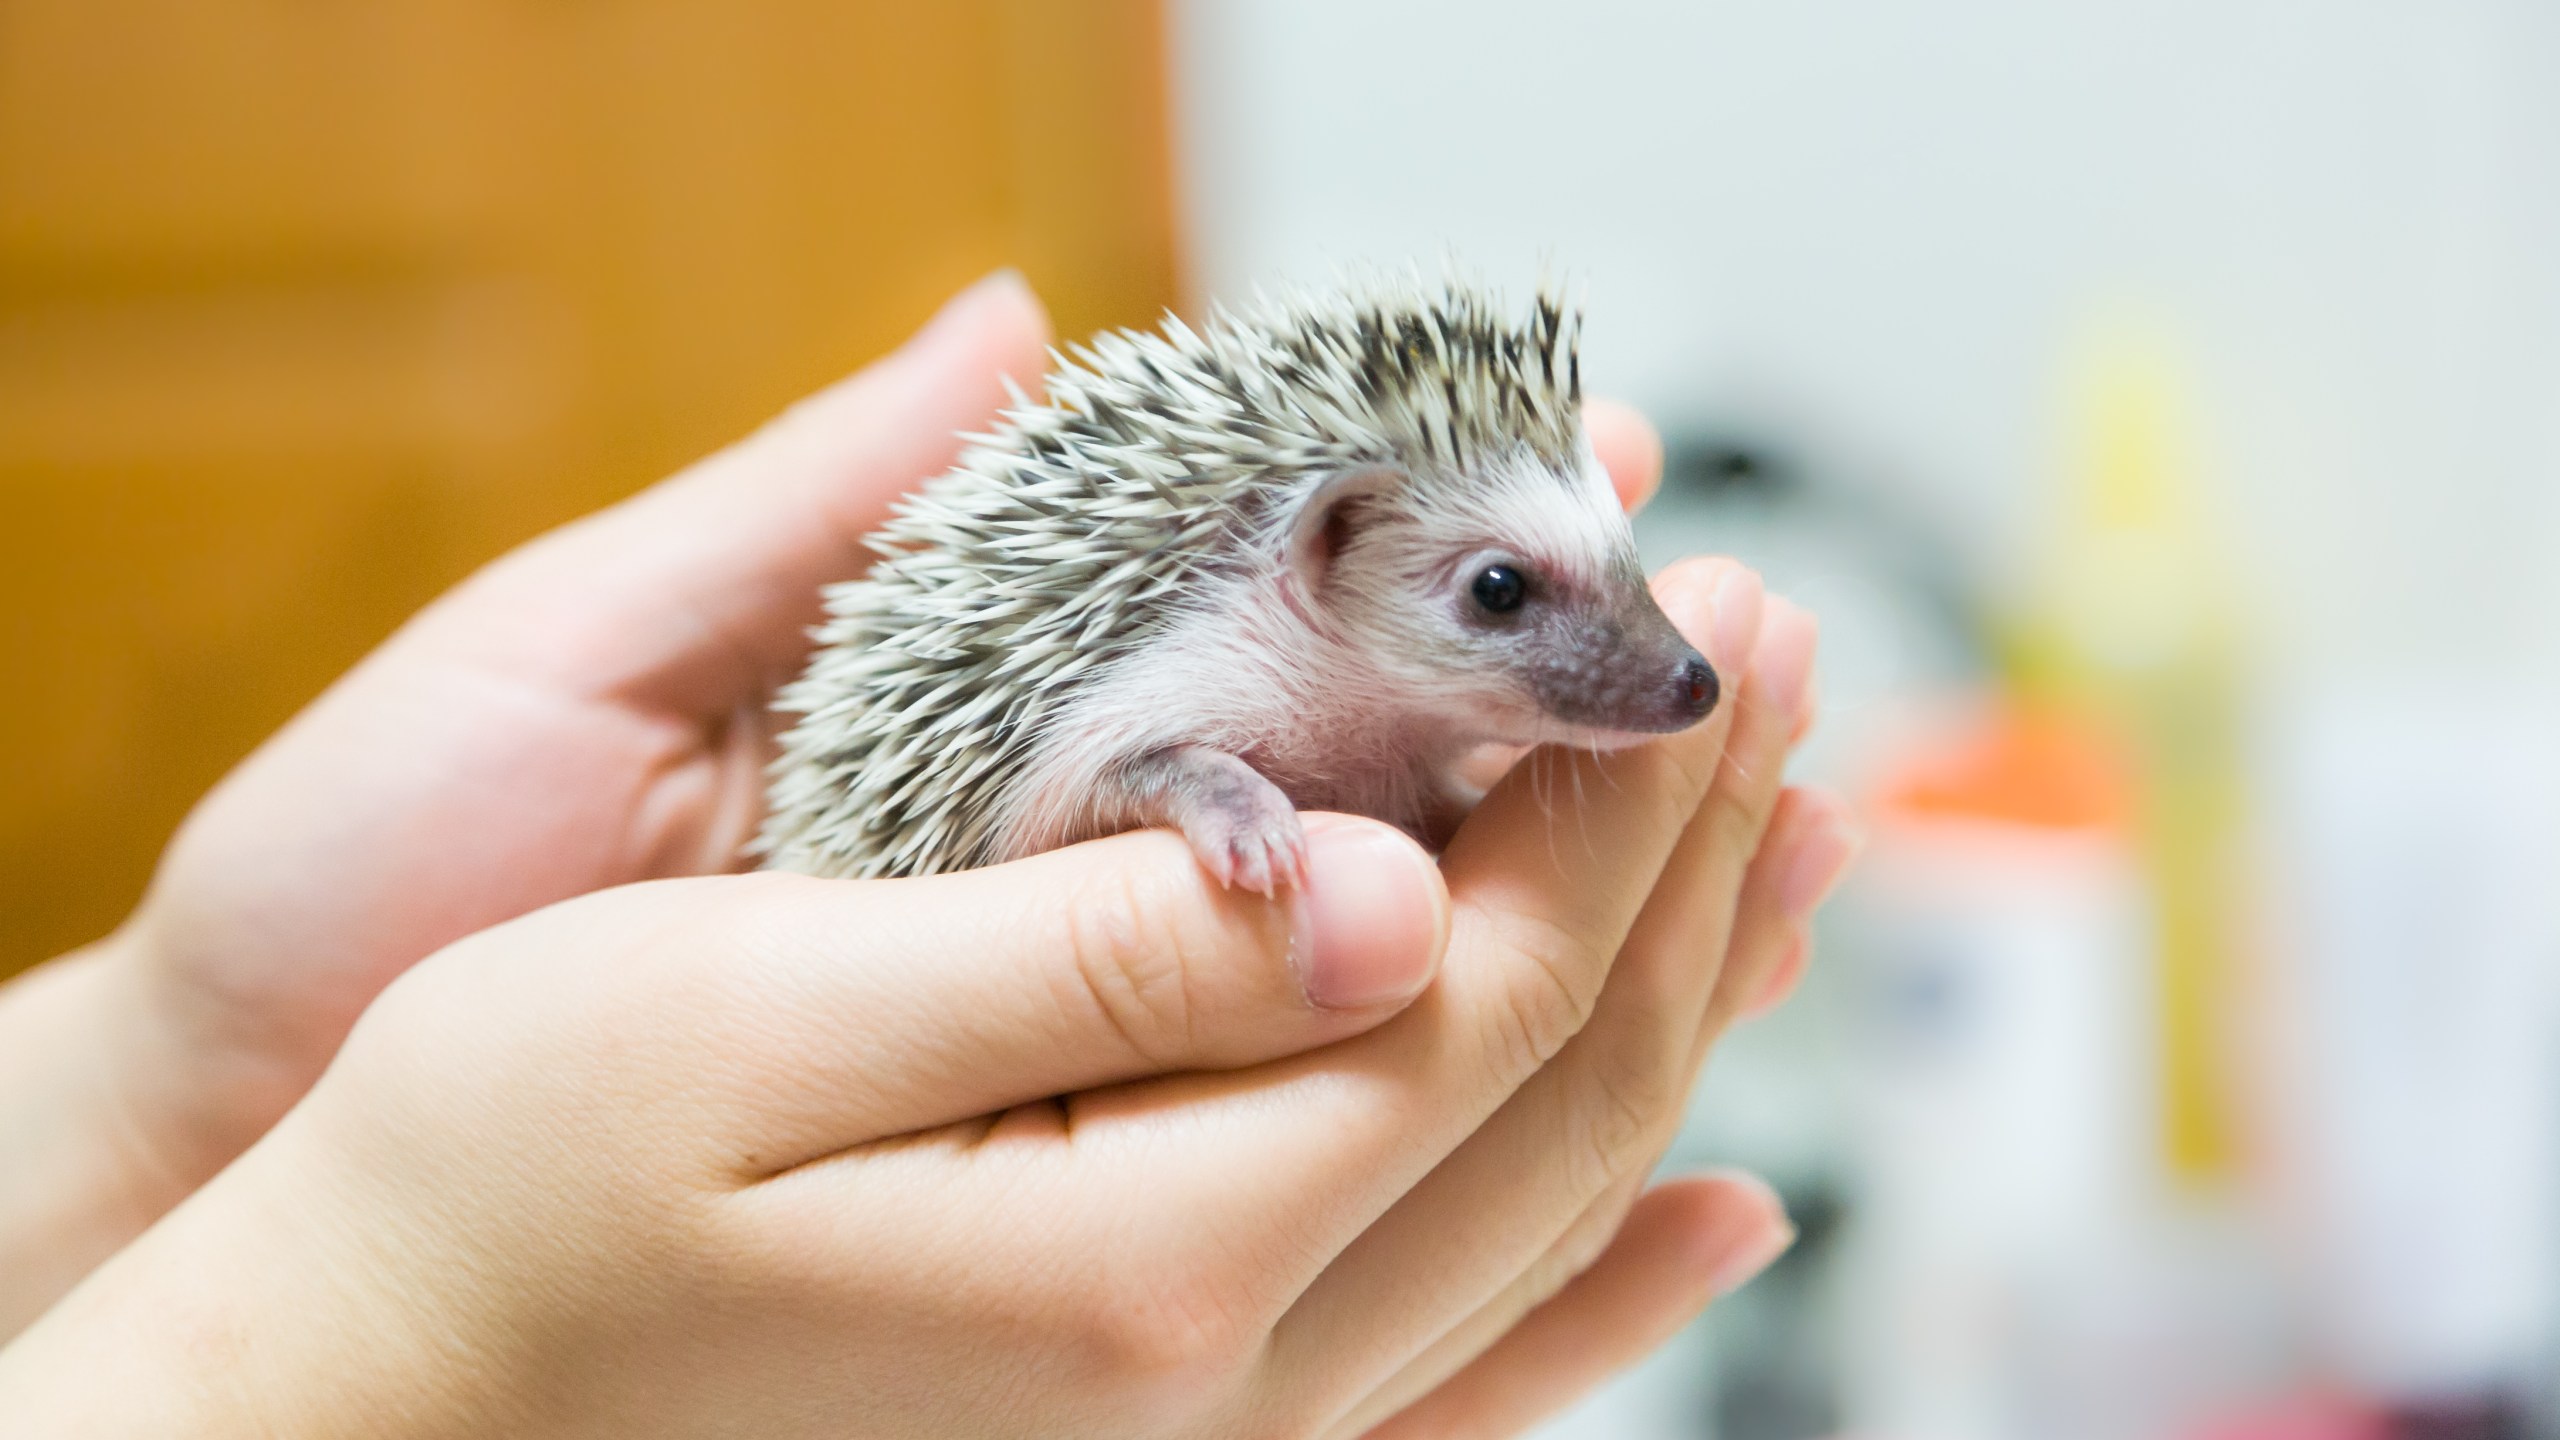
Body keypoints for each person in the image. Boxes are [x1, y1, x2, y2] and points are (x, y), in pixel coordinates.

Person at [0, 273, 1859, 1438]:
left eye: (1592, 580)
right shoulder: (1168, 660)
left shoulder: (1408, 635)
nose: (1645, 669)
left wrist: (166, 1079)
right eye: (1502, 599)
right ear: (1325, 549)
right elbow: (1066, 783)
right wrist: (412, 1335)